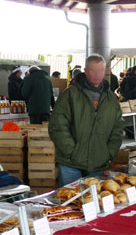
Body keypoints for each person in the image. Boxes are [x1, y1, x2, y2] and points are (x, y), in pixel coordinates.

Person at [49, 54, 124, 186]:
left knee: (94, 204)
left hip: (98, 163)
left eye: (100, 70)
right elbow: (57, 126)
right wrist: (72, 152)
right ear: (85, 71)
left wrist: (108, 153)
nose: (97, 74)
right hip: (70, 163)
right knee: (70, 202)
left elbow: (117, 129)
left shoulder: (112, 99)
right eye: (93, 70)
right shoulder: (70, 95)